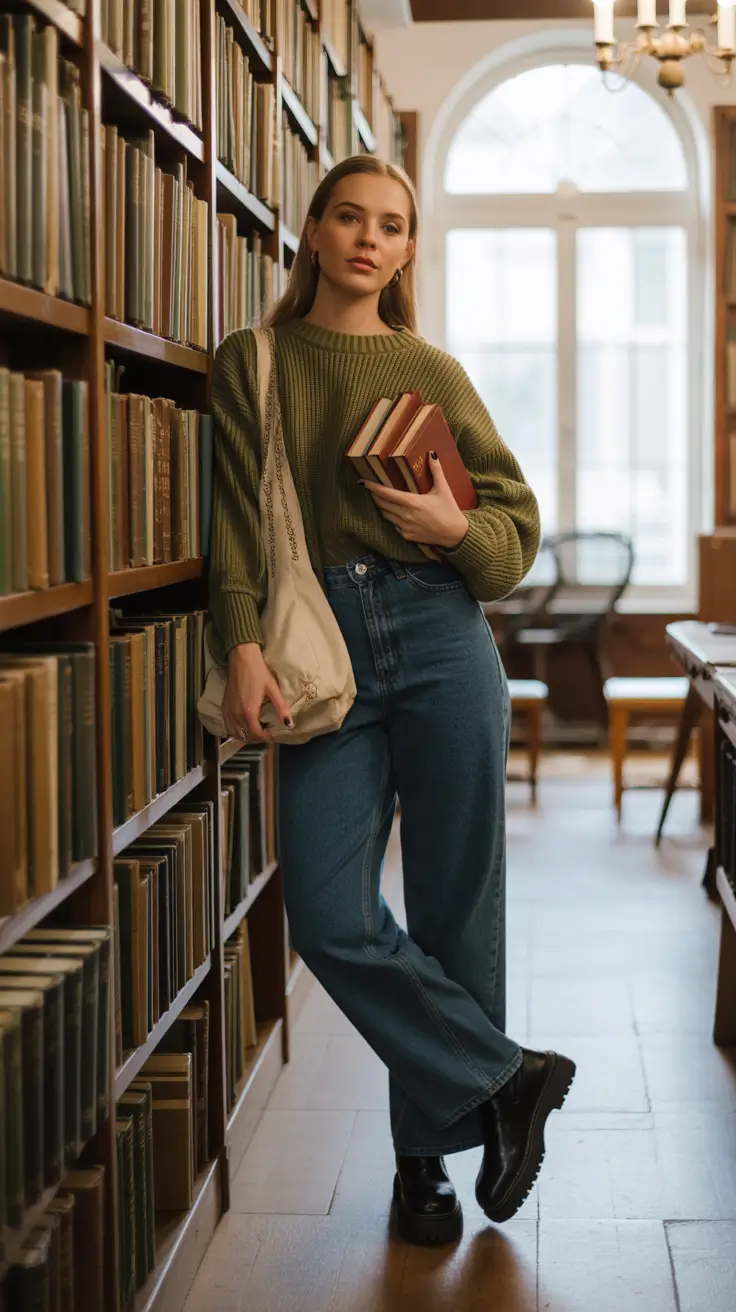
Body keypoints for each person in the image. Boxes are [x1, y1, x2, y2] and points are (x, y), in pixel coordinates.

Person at [208, 154, 575, 1246]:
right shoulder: (253, 362)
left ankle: (427, 1165)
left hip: (440, 632)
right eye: (349, 218)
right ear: (312, 232)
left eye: (392, 225)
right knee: (327, 912)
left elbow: (512, 531)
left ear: (408, 249)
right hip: (317, 647)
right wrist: (237, 643)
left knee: (458, 903)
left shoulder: (429, 368)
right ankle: (505, 1077)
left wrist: (453, 532)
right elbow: (230, 521)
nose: (370, 238)